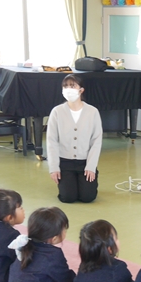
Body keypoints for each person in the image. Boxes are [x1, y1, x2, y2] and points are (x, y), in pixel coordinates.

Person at [47, 74, 103, 204]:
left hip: (84, 162)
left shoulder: (93, 112)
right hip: (65, 162)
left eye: (72, 86)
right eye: (65, 86)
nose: (68, 89)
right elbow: (51, 141)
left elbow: (96, 141)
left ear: (81, 90)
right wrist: (54, 167)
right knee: (68, 198)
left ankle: (87, 182)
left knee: (88, 197)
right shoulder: (57, 111)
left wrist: (91, 166)